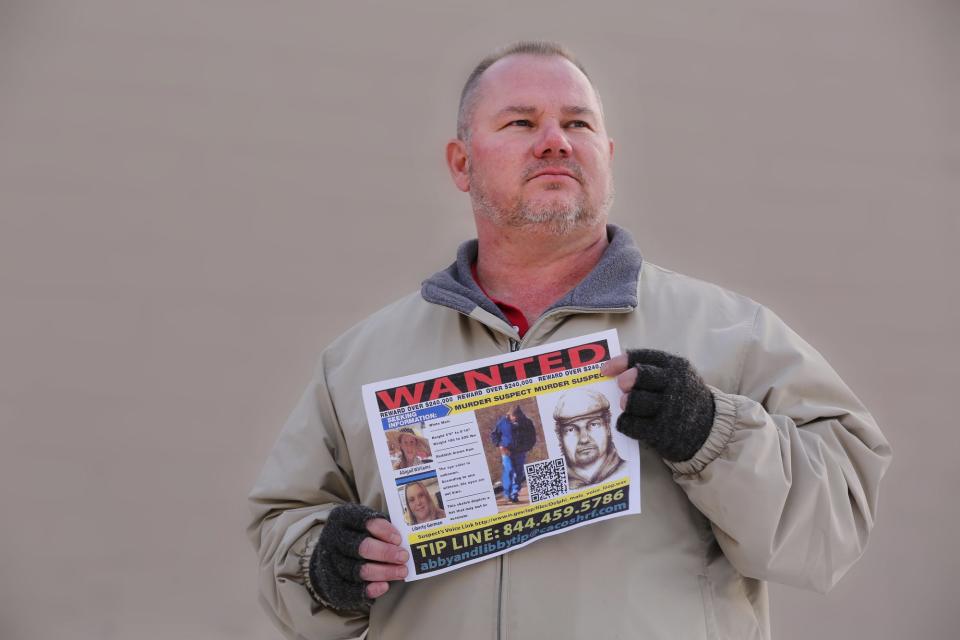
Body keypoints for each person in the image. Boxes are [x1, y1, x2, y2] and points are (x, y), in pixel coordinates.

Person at [247, 41, 892, 639]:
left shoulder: (732, 334)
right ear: (461, 162)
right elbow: (284, 529)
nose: (555, 141)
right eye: (522, 123)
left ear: (606, 156)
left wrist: (713, 435)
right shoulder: (356, 363)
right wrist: (325, 568)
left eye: (578, 124)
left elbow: (836, 523)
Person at [552, 389, 626, 488]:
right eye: (571, 429)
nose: (584, 439)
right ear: (559, 437)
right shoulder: (555, 484)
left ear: (607, 427)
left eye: (593, 424)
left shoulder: (633, 469)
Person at [490, 404, 537, 502]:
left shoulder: (527, 423)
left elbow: (532, 437)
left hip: (520, 452)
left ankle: (514, 494)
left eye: (517, 417)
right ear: (509, 415)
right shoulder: (503, 422)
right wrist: (500, 446)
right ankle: (507, 494)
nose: (515, 418)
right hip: (506, 451)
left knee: (518, 473)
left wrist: (527, 447)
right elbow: (494, 435)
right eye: (513, 416)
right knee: (509, 470)